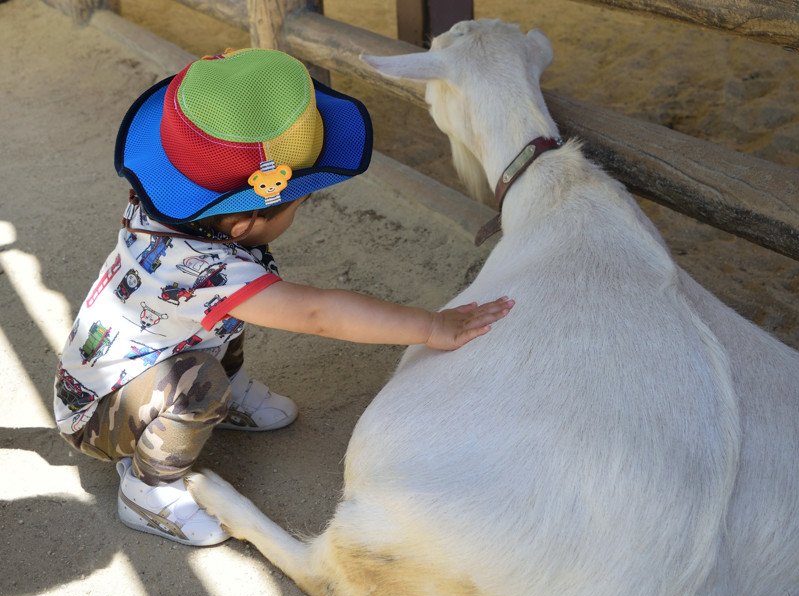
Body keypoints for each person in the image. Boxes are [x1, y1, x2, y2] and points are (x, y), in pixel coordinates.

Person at [53, 47, 514, 547]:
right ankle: (148, 488)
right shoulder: (206, 270)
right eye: (300, 200)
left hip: (148, 354)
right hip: (98, 413)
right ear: (249, 218)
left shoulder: (180, 205)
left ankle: (223, 393)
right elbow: (317, 313)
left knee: (226, 317)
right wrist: (430, 326)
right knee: (199, 382)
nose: (303, 208)